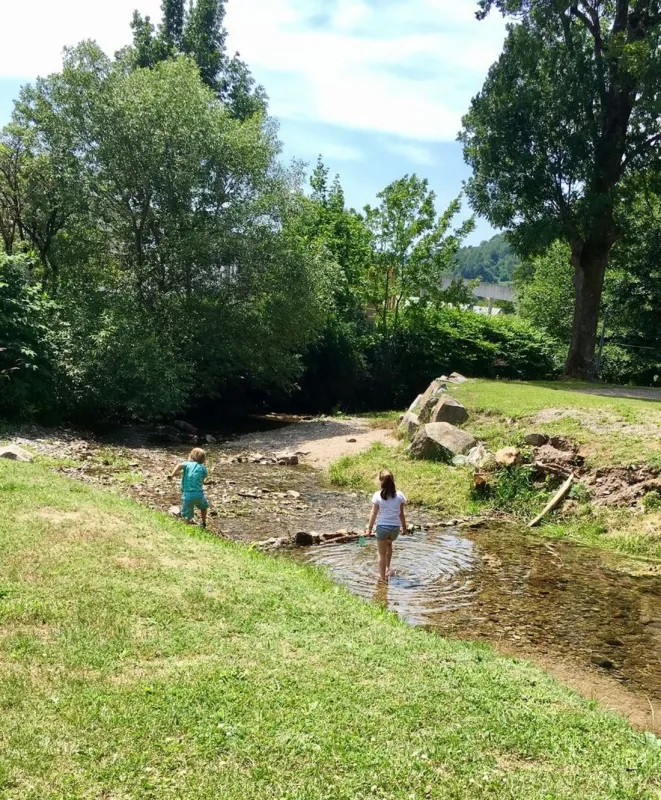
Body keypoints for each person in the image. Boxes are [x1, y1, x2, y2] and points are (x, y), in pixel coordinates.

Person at [366, 469, 407, 581]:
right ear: (393, 480)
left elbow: (374, 513)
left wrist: (369, 529)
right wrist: (404, 528)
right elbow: (401, 514)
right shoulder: (400, 495)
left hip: (382, 528)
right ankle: (388, 568)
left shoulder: (377, 495)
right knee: (389, 545)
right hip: (395, 529)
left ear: (380, 481)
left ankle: (382, 577)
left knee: (381, 553)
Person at [169, 448, 209, 528]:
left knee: (187, 514)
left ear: (191, 456)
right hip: (199, 494)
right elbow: (204, 477)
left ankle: (186, 526)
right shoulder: (203, 468)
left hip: (187, 494)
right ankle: (203, 523)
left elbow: (179, 465)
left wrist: (172, 474)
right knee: (203, 507)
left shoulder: (187, 464)